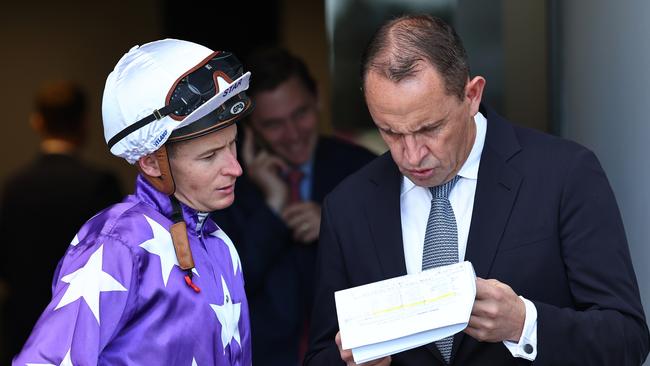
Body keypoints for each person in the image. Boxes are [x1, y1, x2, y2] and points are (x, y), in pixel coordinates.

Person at [305, 14, 650, 366]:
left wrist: (524, 324)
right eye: (390, 132)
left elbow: (628, 338)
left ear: (472, 95)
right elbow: (320, 354)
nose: (410, 155)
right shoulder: (348, 205)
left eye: (429, 128)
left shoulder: (565, 174)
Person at [12, 39, 254, 365]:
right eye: (210, 156)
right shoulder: (117, 244)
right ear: (151, 162)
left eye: (232, 144)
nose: (235, 168)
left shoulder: (220, 243)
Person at [211, 48, 375, 365]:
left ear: (318, 99)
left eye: (300, 114)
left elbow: (394, 268)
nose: (293, 134)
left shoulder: (363, 170)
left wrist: (333, 225)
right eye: (274, 124)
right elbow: (226, 291)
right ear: (250, 127)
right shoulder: (224, 185)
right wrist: (271, 209)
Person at [0, 80, 122, 359]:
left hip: (25, 325)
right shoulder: (101, 185)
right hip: (84, 325)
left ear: (37, 122)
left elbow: (5, 262)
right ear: (84, 123)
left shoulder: (14, 186)